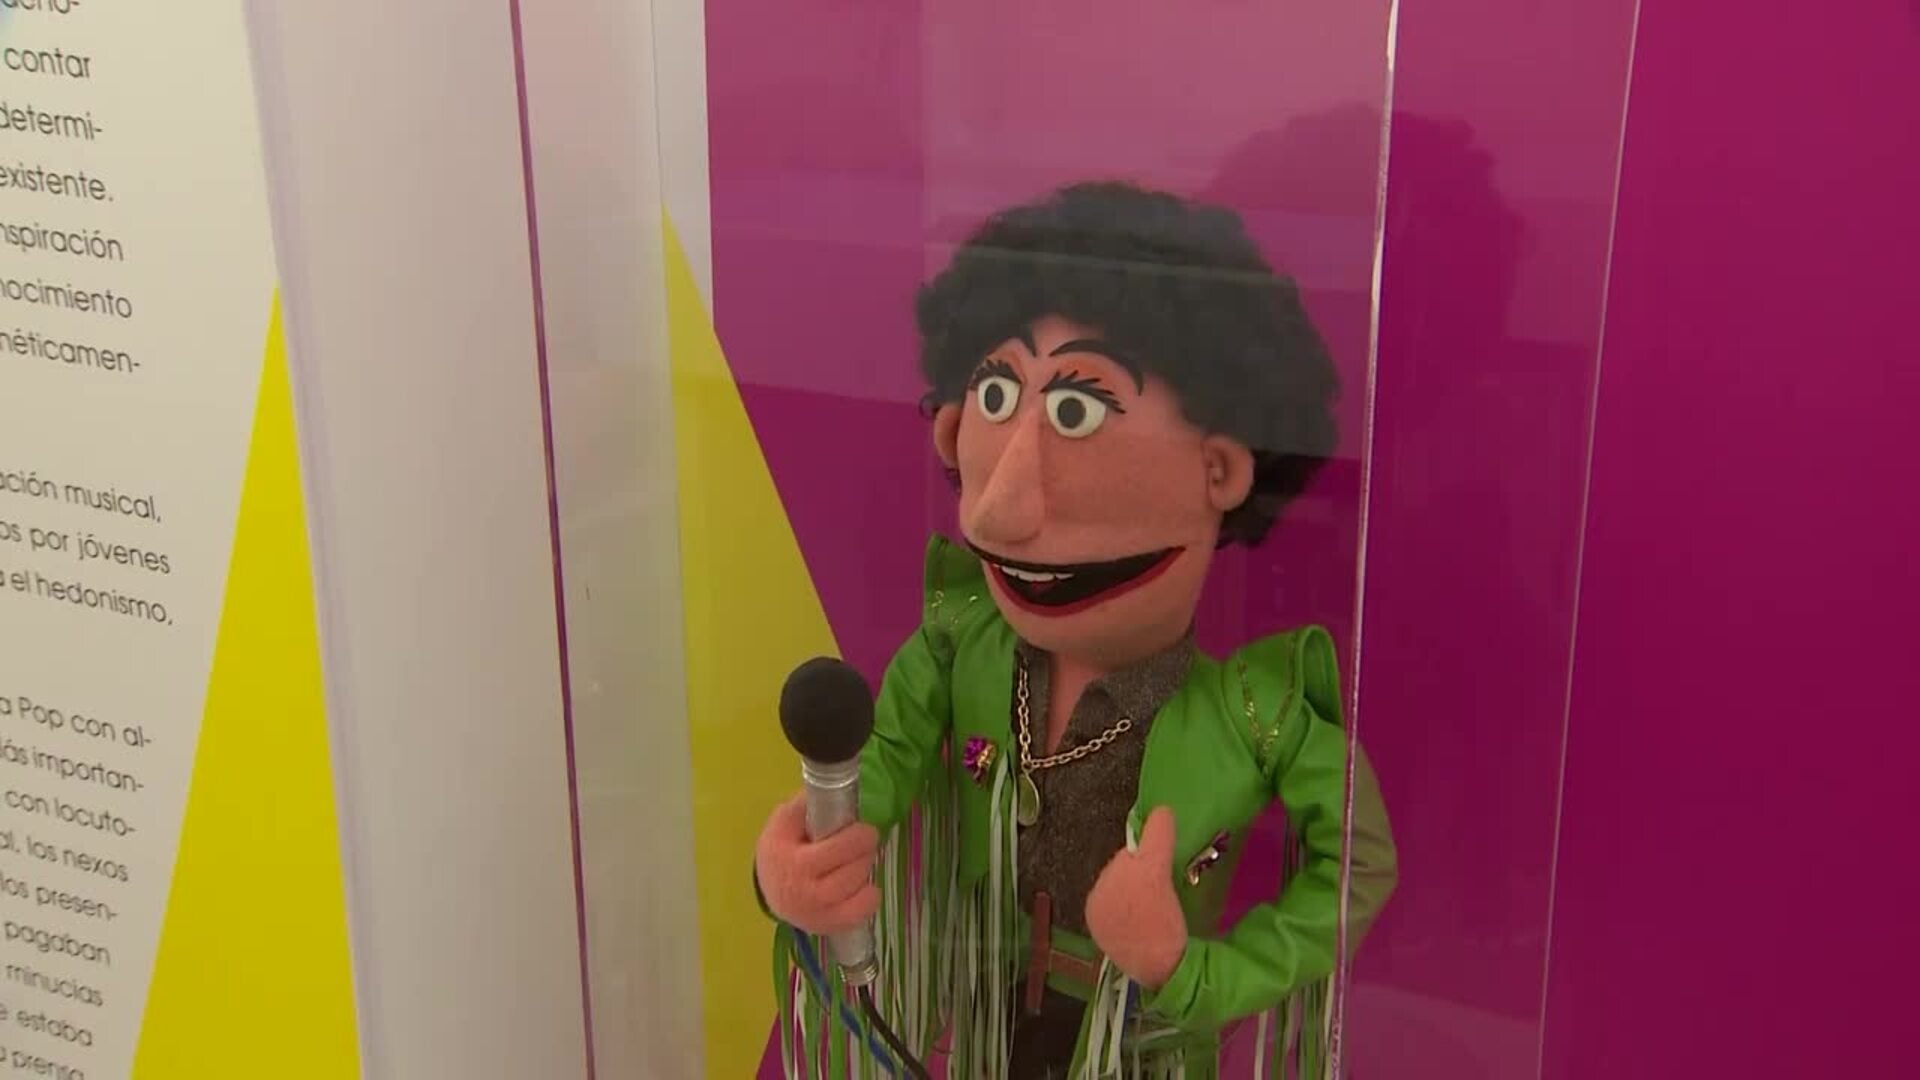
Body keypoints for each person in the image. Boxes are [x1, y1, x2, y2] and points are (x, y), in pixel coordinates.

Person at [753, 181, 1397, 1079]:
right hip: (978, 1031)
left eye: (1075, 410)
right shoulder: (959, 647)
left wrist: (1194, 973)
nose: (998, 510)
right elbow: (880, 772)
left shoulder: (1257, 717)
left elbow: (1357, 863)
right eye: (995, 393)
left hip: (1144, 1051)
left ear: (1220, 469)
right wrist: (793, 869)